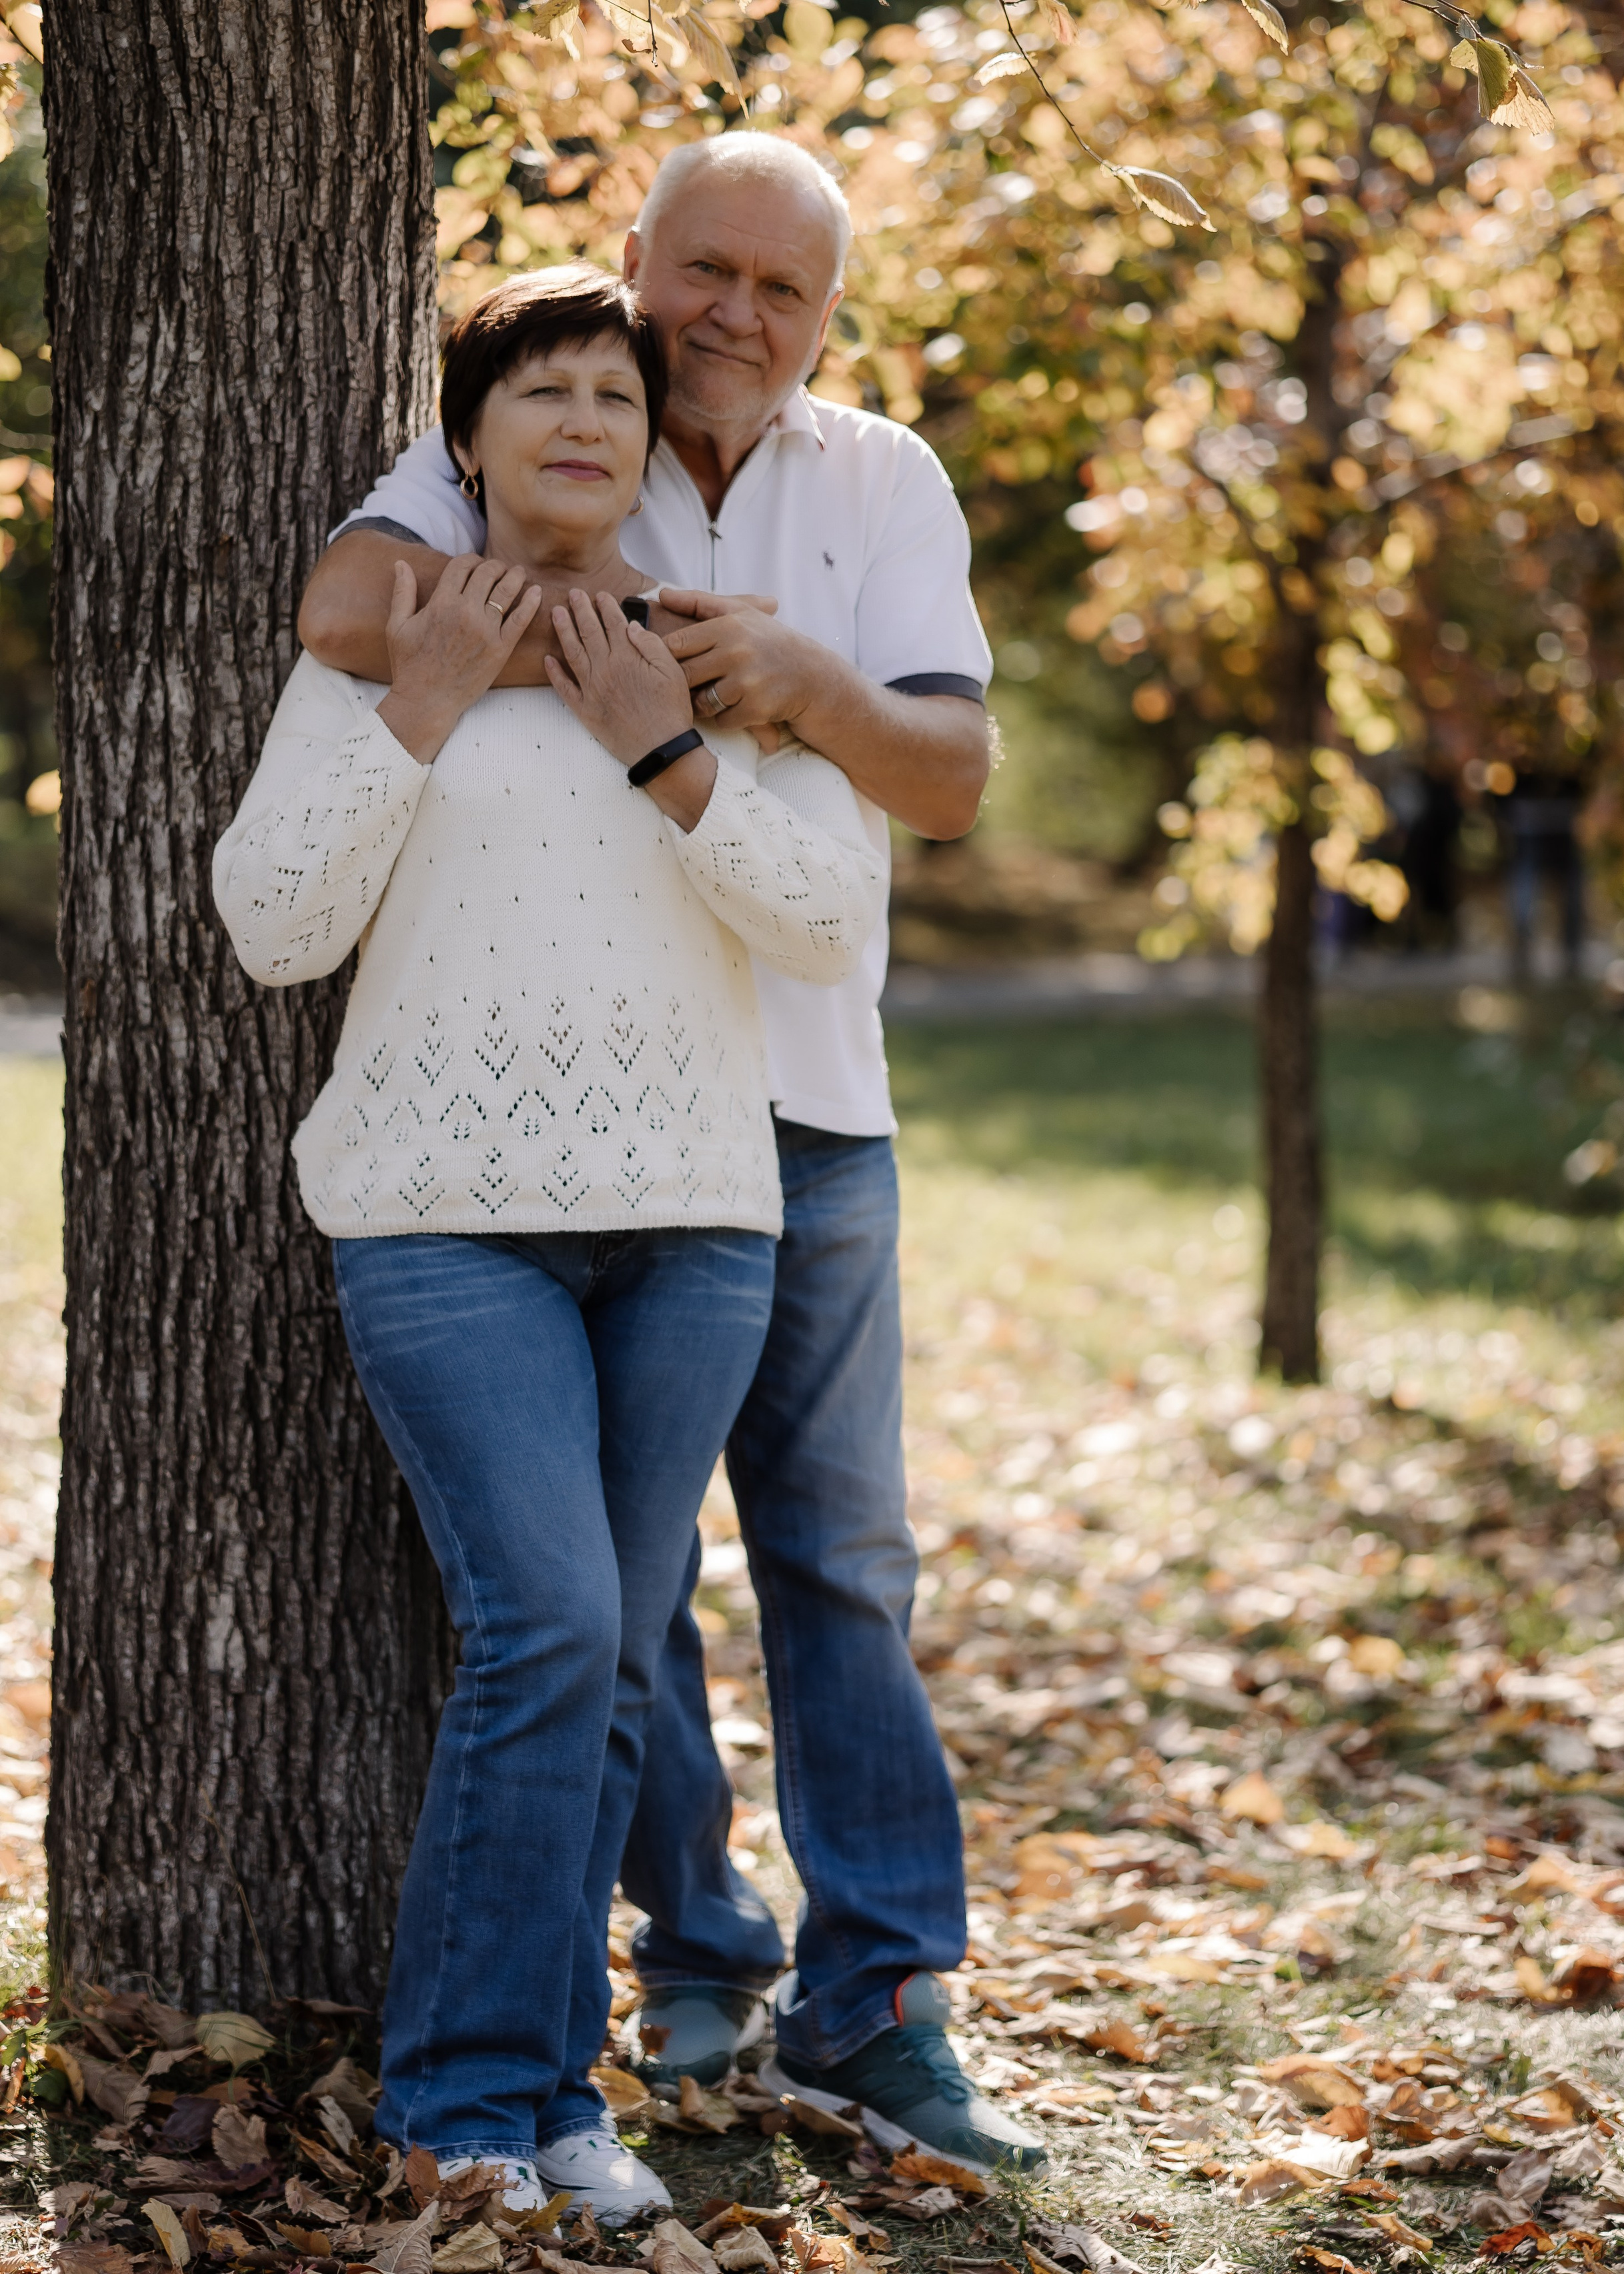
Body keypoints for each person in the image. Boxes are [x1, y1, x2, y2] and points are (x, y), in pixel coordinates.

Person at [297, 133, 1046, 2181]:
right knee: (612, 1604)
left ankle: (880, 1995)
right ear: (638, 261)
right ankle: (692, 1947)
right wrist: (595, 624)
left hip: (809, 1100)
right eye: (700, 270)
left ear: (827, 317)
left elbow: (959, 771)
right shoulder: (550, 425)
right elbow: (350, 599)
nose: (732, 314)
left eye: (779, 290)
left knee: (839, 1559)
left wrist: (800, 683)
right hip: (581, 1120)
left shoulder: (879, 482)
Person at [213, 265, 886, 2222]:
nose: (584, 421)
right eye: (543, 393)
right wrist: (417, 711)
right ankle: (462, 2103)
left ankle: (552, 2099)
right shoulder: (374, 650)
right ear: (471, 438)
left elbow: (829, 922)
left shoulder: (718, 652)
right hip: (447, 1224)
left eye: (616, 392)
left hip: (695, 1226)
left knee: (601, 1668)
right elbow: (273, 920)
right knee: (558, 1628)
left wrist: (669, 749)